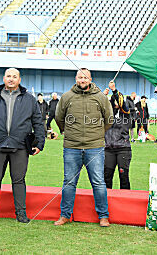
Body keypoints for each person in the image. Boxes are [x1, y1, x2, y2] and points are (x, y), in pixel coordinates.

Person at [0, 68, 45, 223]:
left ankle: (21, 213)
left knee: (19, 180)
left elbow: (38, 123)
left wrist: (40, 143)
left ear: (19, 80)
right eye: (9, 76)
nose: (11, 79)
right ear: (4, 78)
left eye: (15, 76)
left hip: (20, 146)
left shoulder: (29, 99)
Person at [54, 68, 113, 227]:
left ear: (90, 79)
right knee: (69, 182)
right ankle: (65, 215)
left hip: (95, 147)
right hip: (72, 147)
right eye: (80, 77)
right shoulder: (67, 97)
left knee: (98, 182)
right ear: (76, 79)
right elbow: (59, 117)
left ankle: (103, 216)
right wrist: (66, 131)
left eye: (85, 77)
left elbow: (109, 119)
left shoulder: (101, 97)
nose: (82, 80)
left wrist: (98, 133)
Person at [103, 81, 132, 189]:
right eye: (114, 101)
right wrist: (102, 96)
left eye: (118, 101)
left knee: (123, 177)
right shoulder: (106, 114)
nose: (116, 103)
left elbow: (122, 104)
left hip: (123, 149)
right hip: (108, 149)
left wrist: (114, 90)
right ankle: (105, 202)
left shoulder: (125, 113)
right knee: (106, 177)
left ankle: (125, 202)